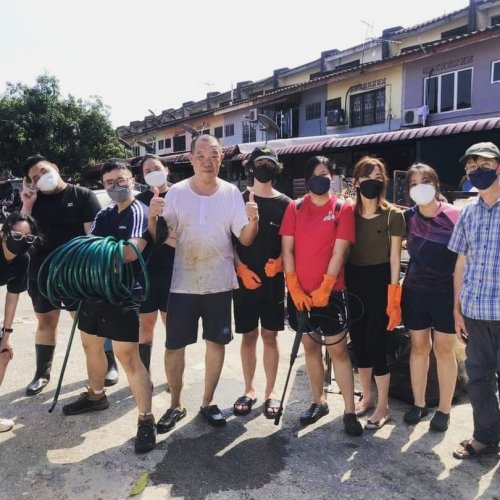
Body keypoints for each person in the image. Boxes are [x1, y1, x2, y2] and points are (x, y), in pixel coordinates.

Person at [148, 134, 258, 432]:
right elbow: (160, 237)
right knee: (174, 346)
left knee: (216, 343)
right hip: (182, 284)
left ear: (221, 158)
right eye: (201, 156)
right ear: (191, 158)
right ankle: (176, 404)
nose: (207, 162)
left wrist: (254, 220)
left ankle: (208, 402)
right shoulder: (176, 193)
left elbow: (245, 238)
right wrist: (152, 217)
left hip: (219, 283)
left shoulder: (231, 193)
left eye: (214, 156)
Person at [62, 159, 156, 454]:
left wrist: (99, 252)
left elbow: (131, 252)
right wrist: (96, 255)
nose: (116, 186)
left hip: (123, 293)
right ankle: (96, 395)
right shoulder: (104, 213)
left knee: (127, 356)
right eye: (109, 183)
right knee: (90, 344)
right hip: (95, 291)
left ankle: (146, 419)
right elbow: (85, 247)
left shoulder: (139, 211)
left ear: (132, 180)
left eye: (121, 180)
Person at [280, 156, 362, 436]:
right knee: (311, 347)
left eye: (324, 173)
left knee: (338, 350)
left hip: (332, 294)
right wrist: (294, 287)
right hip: (300, 296)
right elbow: (287, 249)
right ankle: (319, 401)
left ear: (332, 177)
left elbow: (340, 250)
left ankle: (350, 411)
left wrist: (326, 285)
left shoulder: (342, 208)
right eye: (314, 175)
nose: (320, 179)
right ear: (307, 180)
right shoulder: (295, 207)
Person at [20, 155, 102, 395]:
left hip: (76, 273)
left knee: (88, 323)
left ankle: (107, 365)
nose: (41, 179)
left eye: (43, 171)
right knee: (46, 322)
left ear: (55, 167)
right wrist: (27, 205)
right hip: (41, 272)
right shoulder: (34, 200)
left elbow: (93, 238)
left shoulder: (82, 195)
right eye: (35, 178)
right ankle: (41, 373)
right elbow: (20, 237)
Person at [448, 142, 500, 459]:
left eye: (484, 165)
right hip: (475, 311)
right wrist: (457, 309)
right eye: (471, 167)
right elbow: (461, 263)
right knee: (479, 379)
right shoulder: (468, 213)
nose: (476, 171)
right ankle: (485, 436)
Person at [345, 156, 405, 430]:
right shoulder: (348, 213)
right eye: (367, 176)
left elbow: (395, 259)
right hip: (353, 281)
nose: (373, 182)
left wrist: (394, 297)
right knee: (358, 342)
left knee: (376, 343)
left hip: (380, 282)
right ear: (356, 181)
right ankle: (367, 396)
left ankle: (383, 405)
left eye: (378, 177)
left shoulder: (393, 215)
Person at [232, 146, 290, 418]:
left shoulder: (286, 204)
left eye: (270, 162)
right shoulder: (238, 200)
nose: (264, 167)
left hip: (273, 280)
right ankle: (249, 389)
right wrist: (240, 268)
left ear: (276, 168)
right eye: (260, 162)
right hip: (244, 280)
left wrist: (280, 262)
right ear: (250, 167)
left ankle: (271, 391)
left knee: (270, 335)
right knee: (248, 335)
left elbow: (292, 243)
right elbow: (228, 241)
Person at [401, 163, 459, 432]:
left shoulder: (454, 215)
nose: (419, 187)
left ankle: (444, 409)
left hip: (446, 293)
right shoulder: (408, 217)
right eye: (413, 184)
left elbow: (463, 258)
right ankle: (419, 403)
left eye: (425, 181)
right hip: (414, 291)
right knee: (419, 347)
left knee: (444, 349)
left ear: (435, 184)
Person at [136, 154, 175, 388]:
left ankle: (173, 376)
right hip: (146, 272)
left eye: (157, 168)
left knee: (172, 326)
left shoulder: (180, 195)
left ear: (166, 169)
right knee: (145, 325)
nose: (153, 173)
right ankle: (144, 376)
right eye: (147, 171)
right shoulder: (138, 201)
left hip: (173, 271)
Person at [0, 213, 39, 432]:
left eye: (28, 237)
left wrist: (6, 334)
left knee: (4, 353)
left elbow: (12, 295)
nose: (22, 240)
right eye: (16, 235)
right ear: (5, 233)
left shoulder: (22, 259)